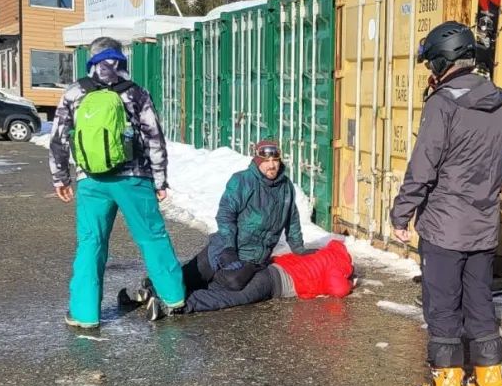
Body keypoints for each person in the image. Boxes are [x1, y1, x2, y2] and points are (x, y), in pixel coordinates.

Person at [391, 22, 502, 386]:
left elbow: (422, 168)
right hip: (483, 229)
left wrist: (401, 214)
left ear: (442, 60)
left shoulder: (442, 104)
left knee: (443, 309)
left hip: (443, 230)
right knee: (481, 305)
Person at [49, 36, 186, 328]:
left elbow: (59, 136)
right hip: (134, 179)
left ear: (92, 58)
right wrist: (160, 179)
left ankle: (84, 314)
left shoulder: (75, 92)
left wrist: (61, 176)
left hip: (92, 180)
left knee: (91, 243)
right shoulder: (135, 92)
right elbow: (153, 137)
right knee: (152, 237)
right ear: (121, 58)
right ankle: (173, 297)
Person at [119, 140, 322, 320]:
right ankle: (145, 292)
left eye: (275, 160)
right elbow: (226, 214)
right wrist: (227, 248)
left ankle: (169, 305)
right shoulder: (243, 181)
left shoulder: (285, 187)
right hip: (223, 248)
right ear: (258, 161)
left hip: (251, 259)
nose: (271, 165)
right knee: (190, 277)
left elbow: (292, 218)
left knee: (232, 291)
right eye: (266, 160)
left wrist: (299, 247)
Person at [118, 239, 356, 317]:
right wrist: (350, 281)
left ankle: (155, 289)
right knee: (224, 297)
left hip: (265, 266)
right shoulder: (339, 263)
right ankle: (171, 305)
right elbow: (338, 289)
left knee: (215, 281)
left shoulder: (322, 252)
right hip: (274, 282)